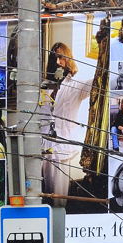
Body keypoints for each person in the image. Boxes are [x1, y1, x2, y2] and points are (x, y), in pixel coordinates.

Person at [40, 42, 94, 202]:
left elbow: (97, 82)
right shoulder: (44, 87)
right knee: (40, 197)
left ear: (68, 59)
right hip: (42, 149)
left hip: (62, 150)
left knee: (58, 198)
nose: (57, 62)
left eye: (61, 58)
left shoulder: (76, 86)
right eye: (54, 58)